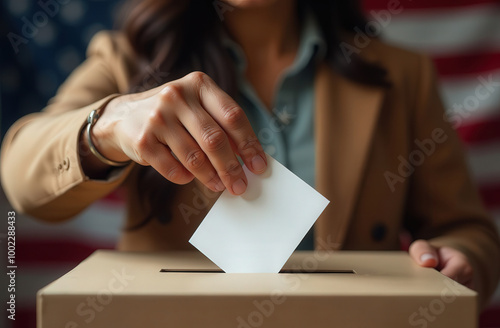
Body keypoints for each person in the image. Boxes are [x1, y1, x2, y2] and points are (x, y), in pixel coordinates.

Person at [1, 0, 499, 309]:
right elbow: (23, 179)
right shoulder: (131, 58)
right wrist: (107, 125)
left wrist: (461, 260)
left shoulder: (399, 74)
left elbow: (467, 229)